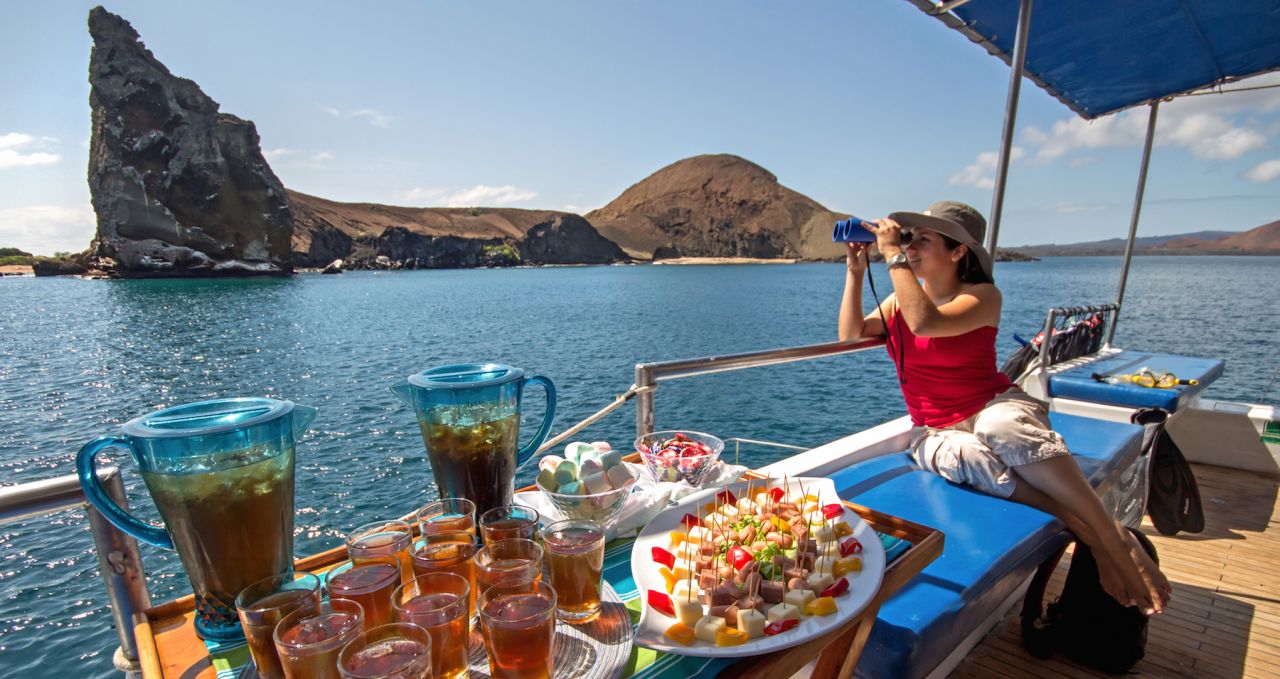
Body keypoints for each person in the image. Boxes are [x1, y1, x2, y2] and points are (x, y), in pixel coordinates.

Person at [837, 200, 1170, 615]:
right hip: (935, 429)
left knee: (1002, 431)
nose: (912, 248)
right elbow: (850, 333)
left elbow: (926, 323)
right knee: (969, 456)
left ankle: (1110, 543)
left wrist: (893, 255)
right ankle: (1109, 539)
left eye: (923, 240)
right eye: (909, 240)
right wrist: (855, 270)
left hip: (991, 404)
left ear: (959, 251)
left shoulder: (982, 296)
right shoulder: (898, 302)